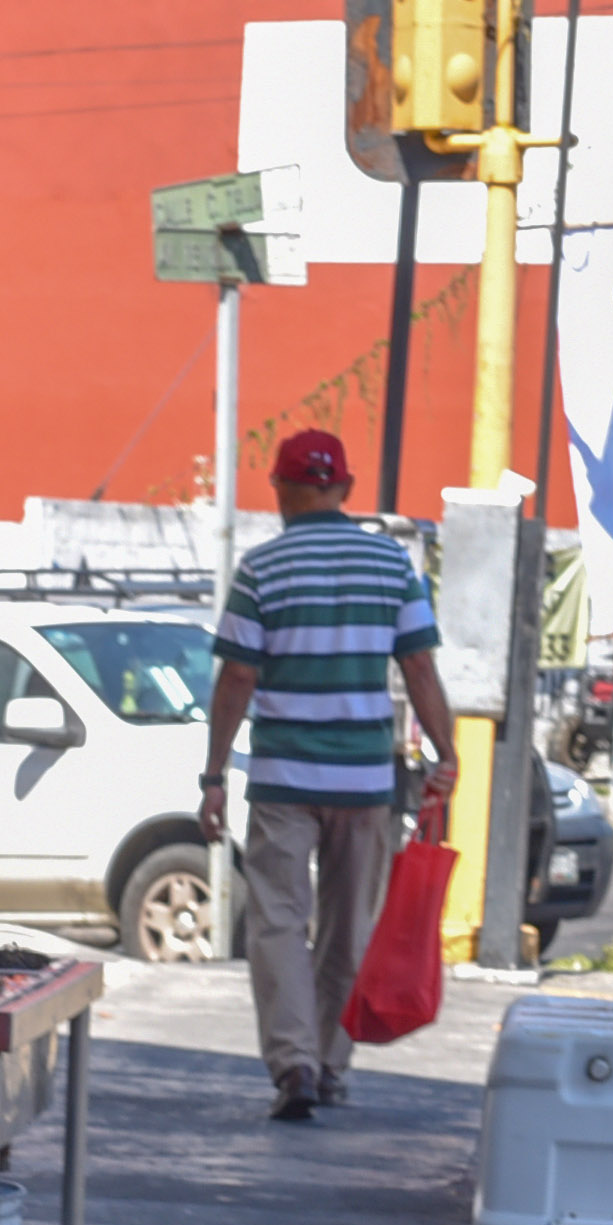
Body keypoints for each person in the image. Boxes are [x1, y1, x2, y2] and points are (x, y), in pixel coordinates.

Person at [198, 429, 458, 1122]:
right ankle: (329, 1063)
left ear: (281, 490)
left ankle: (293, 1066)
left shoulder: (261, 567)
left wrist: (213, 773)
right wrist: (445, 753)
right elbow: (420, 667)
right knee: (350, 928)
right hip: (362, 782)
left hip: (284, 781)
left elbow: (237, 677)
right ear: (342, 488)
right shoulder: (390, 563)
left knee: (278, 924)